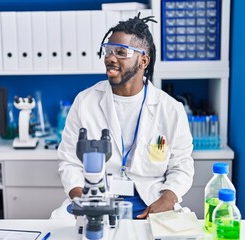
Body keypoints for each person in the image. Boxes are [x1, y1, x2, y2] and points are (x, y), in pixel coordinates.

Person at [56, 13, 194, 219]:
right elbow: (69, 161)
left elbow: (182, 165)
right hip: (95, 198)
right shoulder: (85, 102)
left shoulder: (170, 109)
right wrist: (85, 200)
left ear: (143, 61)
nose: (110, 58)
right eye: (108, 51)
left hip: (149, 202)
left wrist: (169, 198)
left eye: (121, 52)